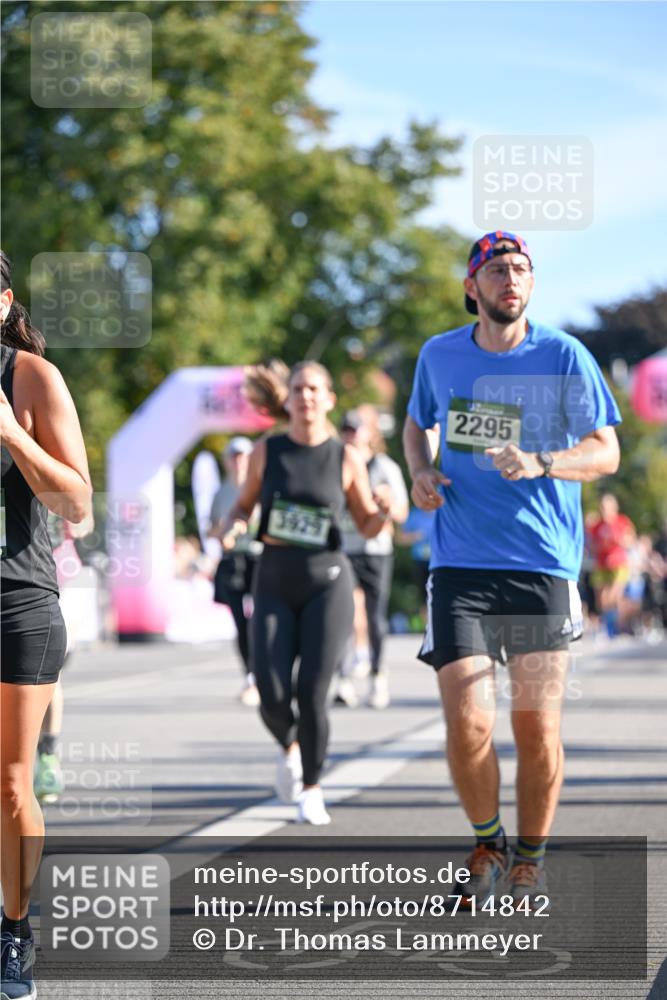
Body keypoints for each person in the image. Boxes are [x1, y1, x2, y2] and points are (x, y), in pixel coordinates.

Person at [403, 230, 621, 904]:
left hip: (540, 566)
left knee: (535, 726)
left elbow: (605, 451)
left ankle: (529, 855)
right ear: (471, 286)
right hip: (460, 562)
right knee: (468, 719)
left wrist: (543, 462)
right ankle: (485, 842)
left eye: (521, 269)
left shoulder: (561, 355)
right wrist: (418, 470)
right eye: (496, 269)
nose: (510, 279)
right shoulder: (439, 355)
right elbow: (418, 424)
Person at [219, 361, 391, 824]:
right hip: (273, 578)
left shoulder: (344, 457)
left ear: (329, 398)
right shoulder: (267, 451)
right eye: (298, 388)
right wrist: (232, 524)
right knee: (272, 693)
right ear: (288, 398)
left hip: (327, 583)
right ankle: (290, 747)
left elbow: (367, 523)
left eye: (315, 388)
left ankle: (312, 786)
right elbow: (242, 504)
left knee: (313, 692)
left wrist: (384, 511)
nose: (306, 396)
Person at [1, 250, 92, 1000]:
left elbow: (76, 503)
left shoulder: (31, 379)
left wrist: (12, 435)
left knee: (9, 783)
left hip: (15, 602)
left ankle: (15, 930)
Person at [336, 406, 409, 709]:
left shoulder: (385, 467)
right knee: (343, 614)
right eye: (347, 429)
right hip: (344, 548)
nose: (352, 434)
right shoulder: (334, 465)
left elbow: (403, 512)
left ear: (369, 433)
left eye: (357, 428)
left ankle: (378, 677)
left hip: (376, 550)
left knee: (375, 616)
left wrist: (386, 504)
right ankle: (344, 679)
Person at [208, 437, 260, 707]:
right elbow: (211, 530)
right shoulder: (221, 492)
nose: (238, 462)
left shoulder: (260, 486)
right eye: (233, 457)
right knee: (241, 622)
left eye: (243, 456)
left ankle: (268, 672)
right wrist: (222, 531)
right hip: (233, 560)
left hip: (260, 559)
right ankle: (250, 676)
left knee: (261, 620)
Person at [588, 493, 635, 638]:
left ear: (615, 507)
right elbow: (592, 547)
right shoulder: (596, 526)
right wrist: (601, 545)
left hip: (619, 564)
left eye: (607, 507)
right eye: (602, 507)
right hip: (602, 565)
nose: (604, 510)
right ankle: (609, 626)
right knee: (602, 598)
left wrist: (619, 539)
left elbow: (630, 540)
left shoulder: (622, 521)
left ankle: (622, 624)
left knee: (614, 595)